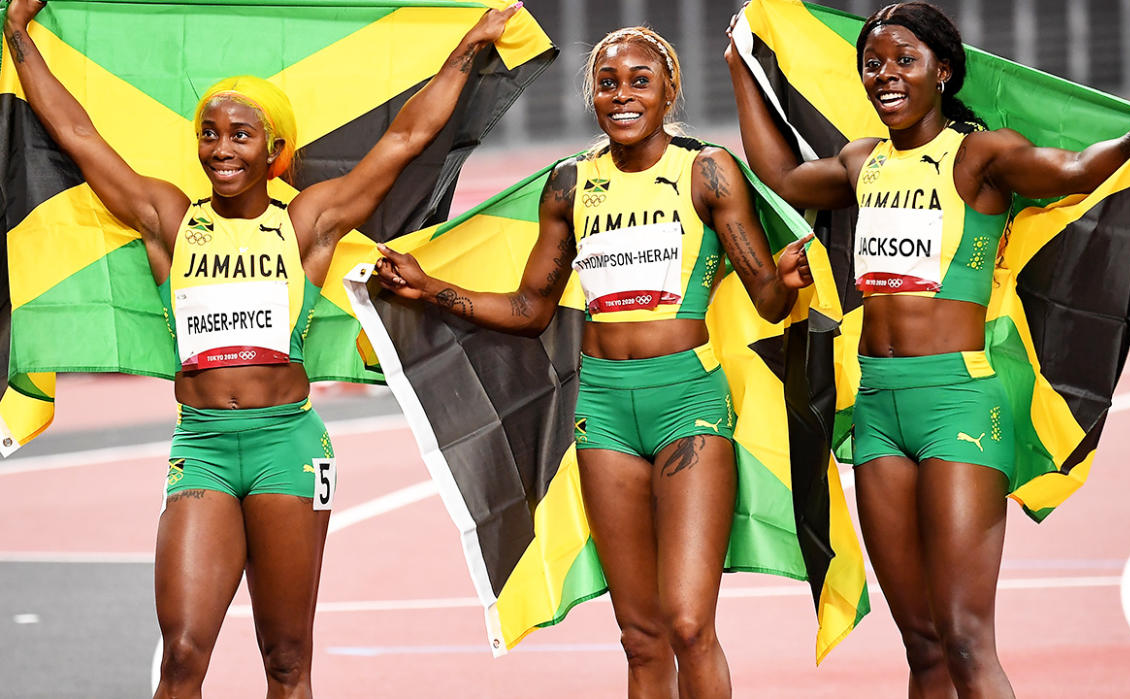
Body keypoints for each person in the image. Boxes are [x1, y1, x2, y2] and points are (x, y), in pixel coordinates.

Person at [1, 1, 520, 696]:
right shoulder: (167, 219)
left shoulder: (307, 222)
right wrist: (17, 38)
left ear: (275, 151)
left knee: (285, 658)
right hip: (204, 446)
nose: (221, 149)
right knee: (183, 654)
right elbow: (76, 135)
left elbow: (404, 140)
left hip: (288, 447)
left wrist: (470, 47)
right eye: (209, 133)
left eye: (241, 134)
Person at [725, 2, 1130, 696]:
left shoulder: (980, 156)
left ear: (942, 71)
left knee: (968, 640)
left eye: (904, 60)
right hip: (881, 406)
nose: (885, 74)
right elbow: (786, 180)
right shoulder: (863, 162)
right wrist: (742, 67)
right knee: (923, 648)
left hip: (960, 404)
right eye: (873, 64)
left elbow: (1070, 170)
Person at [374, 25, 813, 698]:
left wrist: (787, 280)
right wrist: (431, 289)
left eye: (641, 80)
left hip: (687, 402)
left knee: (690, 624)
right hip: (604, 411)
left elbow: (766, 298)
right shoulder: (570, 184)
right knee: (641, 640)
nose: (623, 95)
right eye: (608, 83)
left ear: (670, 90)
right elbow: (530, 309)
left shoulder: (707, 171)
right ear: (593, 97)